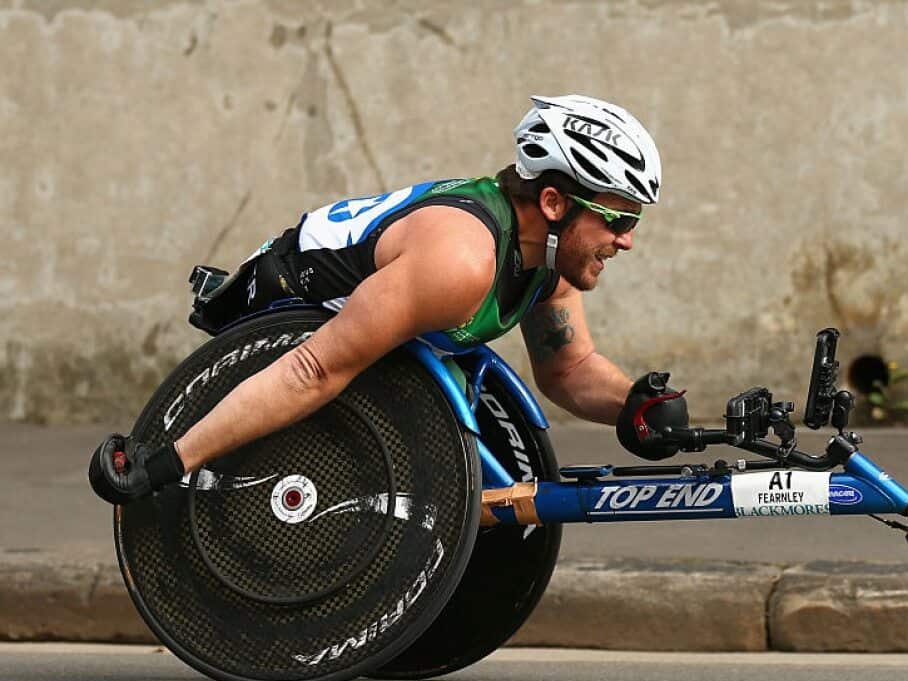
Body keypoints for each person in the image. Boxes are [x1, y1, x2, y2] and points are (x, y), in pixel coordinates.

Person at [89, 94, 688, 505]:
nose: (627, 240)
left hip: (353, 367)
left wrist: (633, 405)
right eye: (615, 219)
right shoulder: (459, 261)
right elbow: (312, 367)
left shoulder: (544, 262)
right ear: (554, 204)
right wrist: (167, 462)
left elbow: (570, 369)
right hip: (282, 323)